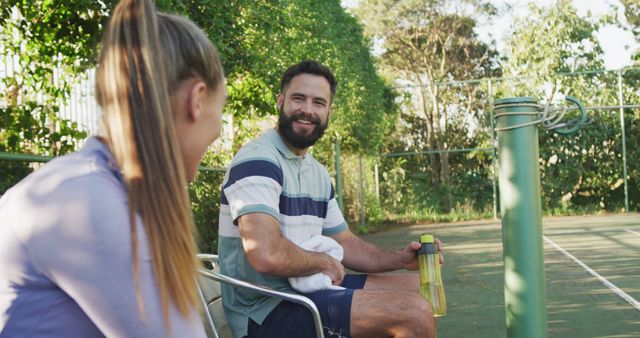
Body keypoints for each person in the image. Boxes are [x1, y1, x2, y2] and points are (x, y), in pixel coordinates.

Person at [0, 0, 226, 336]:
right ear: (197, 99)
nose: (218, 128)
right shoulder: (89, 207)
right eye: (220, 109)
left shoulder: (91, 185)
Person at [218, 60, 442, 338]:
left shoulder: (317, 173)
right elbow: (266, 254)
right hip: (264, 311)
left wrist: (400, 259)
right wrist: (324, 262)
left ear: (329, 111)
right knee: (413, 312)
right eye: (298, 98)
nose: (307, 110)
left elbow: (345, 243)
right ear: (280, 101)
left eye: (318, 102)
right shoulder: (257, 160)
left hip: (310, 292)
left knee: (418, 289)